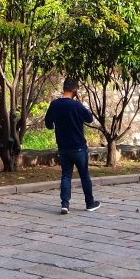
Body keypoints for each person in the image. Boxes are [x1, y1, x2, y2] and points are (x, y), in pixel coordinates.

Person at [44, 78, 99, 214]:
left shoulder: (54, 104)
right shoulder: (76, 105)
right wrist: (80, 104)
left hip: (63, 146)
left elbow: (48, 123)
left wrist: (54, 125)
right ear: (75, 90)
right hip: (78, 146)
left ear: (63, 88)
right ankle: (90, 203)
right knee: (84, 175)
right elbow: (89, 118)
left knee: (66, 175)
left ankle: (65, 204)